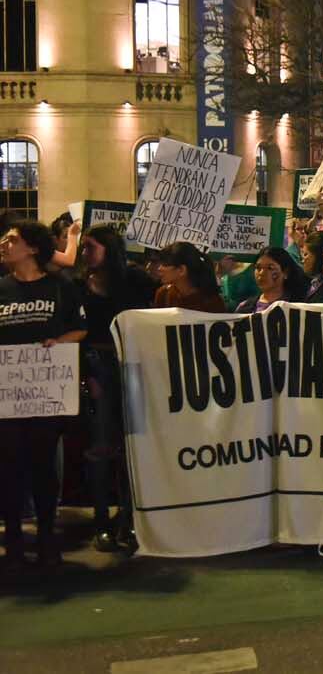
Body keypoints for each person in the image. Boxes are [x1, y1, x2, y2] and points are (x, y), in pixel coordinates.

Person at [0, 221, 87, 569]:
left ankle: (48, 535)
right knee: (9, 469)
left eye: (12, 240)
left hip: (45, 396)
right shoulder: (1, 288)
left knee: (42, 468)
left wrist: (58, 343)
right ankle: (15, 539)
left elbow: (80, 329)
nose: (4, 244)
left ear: (33, 248)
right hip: (8, 397)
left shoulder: (60, 287)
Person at [76, 224, 158, 551]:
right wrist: (87, 373)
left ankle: (129, 517)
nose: (84, 254)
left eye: (90, 247)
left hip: (133, 366)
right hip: (99, 366)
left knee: (134, 443)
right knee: (100, 445)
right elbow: (76, 331)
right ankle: (101, 521)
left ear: (108, 249)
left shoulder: (135, 280)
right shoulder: (79, 285)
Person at [153, 242, 226, 313]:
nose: (160, 268)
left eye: (165, 264)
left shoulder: (213, 302)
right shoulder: (163, 294)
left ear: (182, 270)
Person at [234, 247, 309, 313]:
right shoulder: (244, 308)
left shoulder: (300, 306)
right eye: (258, 268)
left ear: (286, 273)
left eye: (270, 268)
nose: (262, 273)